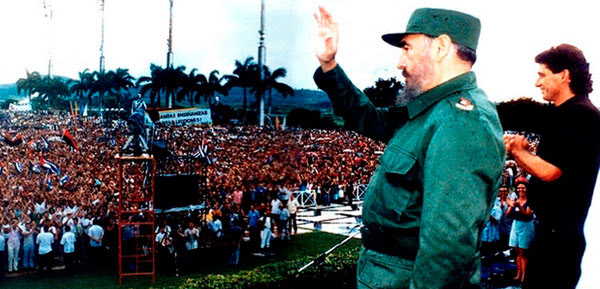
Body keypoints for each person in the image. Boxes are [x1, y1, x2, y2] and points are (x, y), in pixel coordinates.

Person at [313, 6, 505, 289]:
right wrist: (329, 65)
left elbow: (447, 251)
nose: (400, 62)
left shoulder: (460, 122)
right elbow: (370, 119)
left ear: (441, 47)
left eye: (406, 48)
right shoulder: (432, 111)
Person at [504, 44, 600, 289]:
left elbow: (551, 172)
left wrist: (518, 151)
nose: (537, 83)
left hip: (560, 240)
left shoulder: (581, 116)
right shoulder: (566, 114)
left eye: (542, 74)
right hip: (552, 234)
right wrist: (522, 153)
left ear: (564, 75)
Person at [506, 182, 534, 283]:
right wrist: (510, 205)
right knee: (517, 251)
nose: (520, 190)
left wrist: (518, 205)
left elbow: (527, 214)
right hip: (516, 225)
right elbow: (507, 214)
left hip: (526, 226)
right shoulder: (515, 200)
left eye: (523, 188)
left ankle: (524, 276)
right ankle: (518, 274)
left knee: (524, 252)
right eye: (519, 188)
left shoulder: (530, 201)